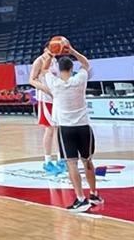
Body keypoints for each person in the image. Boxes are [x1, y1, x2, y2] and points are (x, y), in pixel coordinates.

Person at [30, 41, 103, 212]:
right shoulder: (80, 79)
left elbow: (44, 71)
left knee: (72, 164)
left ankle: (80, 199)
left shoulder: (54, 84)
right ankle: (94, 194)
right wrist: (73, 51)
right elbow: (86, 64)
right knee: (88, 161)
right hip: (84, 127)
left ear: (59, 69)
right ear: (72, 68)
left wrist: (50, 54)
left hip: (66, 129)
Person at [30, 47, 65, 175]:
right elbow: (31, 80)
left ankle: (61, 159)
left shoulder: (55, 61)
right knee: (50, 129)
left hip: (56, 98)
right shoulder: (39, 61)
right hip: (45, 99)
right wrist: (46, 89)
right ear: (45, 49)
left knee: (58, 129)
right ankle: (47, 161)